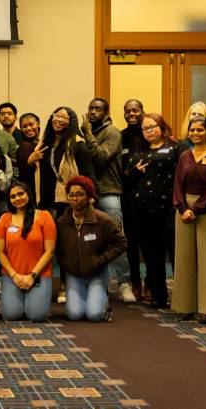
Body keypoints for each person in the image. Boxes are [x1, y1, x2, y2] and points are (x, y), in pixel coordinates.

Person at [123, 113, 185, 308]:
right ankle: (159, 297)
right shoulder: (138, 152)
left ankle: (184, 298)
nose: (149, 131)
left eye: (152, 127)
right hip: (143, 212)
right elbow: (126, 180)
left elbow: (184, 176)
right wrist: (134, 172)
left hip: (169, 210)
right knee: (152, 256)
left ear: (162, 126)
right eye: (145, 129)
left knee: (176, 255)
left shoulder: (177, 148)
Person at [172, 116, 206, 325]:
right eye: (192, 130)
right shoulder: (185, 155)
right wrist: (183, 208)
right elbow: (177, 185)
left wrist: (197, 208)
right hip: (184, 209)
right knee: (184, 258)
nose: (195, 133)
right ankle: (185, 306)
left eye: (200, 130)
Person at [81, 98, 134, 303]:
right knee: (90, 240)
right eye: (90, 108)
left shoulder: (112, 132)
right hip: (88, 194)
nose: (93, 112)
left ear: (106, 112)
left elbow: (101, 156)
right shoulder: (87, 131)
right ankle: (94, 283)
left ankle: (124, 283)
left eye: (97, 109)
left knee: (115, 237)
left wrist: (87, 135)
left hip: (109, 192)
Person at [57, 176, 126, 322]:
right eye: (71, 195)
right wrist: (65, 262)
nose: (75, 199)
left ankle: (102, 299)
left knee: (94, 315)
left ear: (89, 196)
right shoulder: (62, 222)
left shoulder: (102, 219)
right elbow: (57, 248)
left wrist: (101, 260)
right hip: (74, 275)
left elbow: (121, 242)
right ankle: (87, 297)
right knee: (75, 315)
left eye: (80, 194)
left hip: (97, 273)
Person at [0, 182, 56, 322]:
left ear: (29, 194)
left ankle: (30, 302)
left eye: (21, 194)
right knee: (12, 315)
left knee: (36, 316)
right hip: (12, 275)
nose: (17, 198)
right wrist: (14, 275)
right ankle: (22, 302)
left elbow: (50, 251)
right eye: (13, 196)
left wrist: (32, 276)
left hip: (38, 275)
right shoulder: (4, 219)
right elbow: (0, 252)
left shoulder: (45, 216)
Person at [119, 99, 149, 301]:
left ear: (142, 112)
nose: (132, 113)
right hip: (127, 195)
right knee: (131, 243)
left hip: (150, 196)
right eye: (128, 111)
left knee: (149, 243)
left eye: (135, 110)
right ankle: (135, 282)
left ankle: (151, 282)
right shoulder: (120, 137)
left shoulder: (150, 134)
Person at [38, 106, 94, 213]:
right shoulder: (45, 144)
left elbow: (88, 173)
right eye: (56, 116)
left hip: (69, 202)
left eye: (63, 117)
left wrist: (91, 197)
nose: (59, 120)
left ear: (71, 122)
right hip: (46, 202)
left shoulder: (78, 145)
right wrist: (31, 160)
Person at [14, 112, 44, 198]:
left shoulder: (41, 143)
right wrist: (29, 162)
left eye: (31, 124)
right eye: (24, 126)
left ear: (38, 124)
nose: (29, 128)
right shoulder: (24, 146)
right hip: (32, 191)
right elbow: (23, 174)